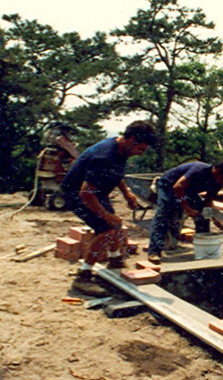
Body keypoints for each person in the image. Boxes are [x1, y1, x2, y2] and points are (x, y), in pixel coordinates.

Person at [61, 120, 158, 297]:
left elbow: (115, 173)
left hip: (97, 192)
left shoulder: (121, 148)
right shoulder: (104, 155)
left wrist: (126, 192)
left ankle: (115, 262)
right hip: (77, 194)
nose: (140, 154)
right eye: (141, 149)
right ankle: (82, 278)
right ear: (132, 140)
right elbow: (85, 193)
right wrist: (105, 215)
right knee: (107, 230)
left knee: (115, 226)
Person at [147, 160, 223, 264]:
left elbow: (208, 201)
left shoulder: (218, 181)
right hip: (168, 187)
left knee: (203, 217)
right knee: (163, 216)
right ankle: (154, 252)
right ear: (217, 170)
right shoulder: (199, 170)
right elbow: (177, 187)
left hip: (187, 192)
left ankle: (204, 249)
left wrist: (214, 216)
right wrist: (187, 208)